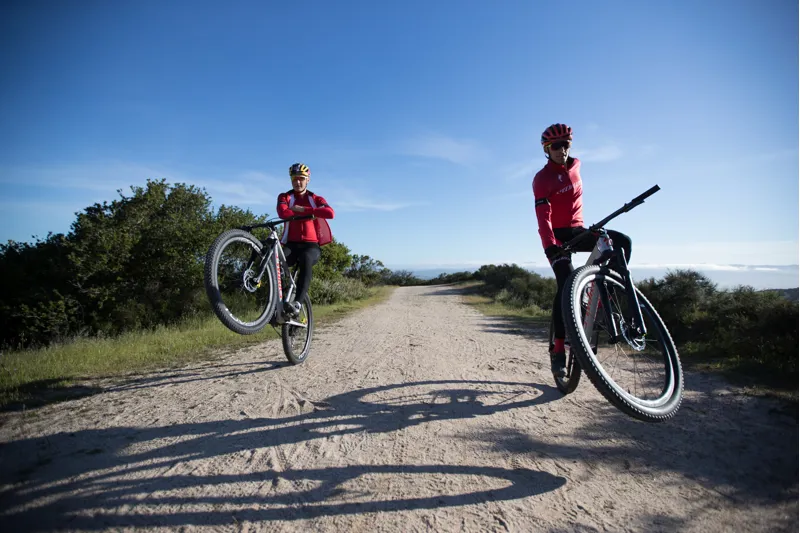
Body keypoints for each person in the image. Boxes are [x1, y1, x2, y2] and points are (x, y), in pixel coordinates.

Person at [532, 124, 632, 377]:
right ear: (547, 149)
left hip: (578, 231)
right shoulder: (542, 178)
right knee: (565, 284)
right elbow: (543, 217)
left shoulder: (577, 165)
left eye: (565, 144)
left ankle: (606, 300)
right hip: (556, 237)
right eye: (555, 146)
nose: (561, 150)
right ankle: (558, 349)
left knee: (622, 242)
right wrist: (550, 247)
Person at [276, 163, 334, 317]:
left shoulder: (315, 198)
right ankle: (277, 303)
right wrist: (311, 214)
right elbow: (283, 213)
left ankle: (297, 303)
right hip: (290, 245)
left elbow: (330, 213)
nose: (297, 182)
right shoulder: (285, 197)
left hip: (311, 245)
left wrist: (303, 210)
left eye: (301, 178)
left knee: (306, 258)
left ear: (308, 179)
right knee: (275, 263)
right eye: (294, 179)